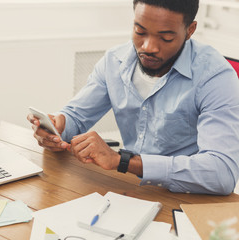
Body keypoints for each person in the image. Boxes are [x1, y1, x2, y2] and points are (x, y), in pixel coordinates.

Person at [27, 0, 239, 195]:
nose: (148, 47)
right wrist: (58, 128)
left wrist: (124, 162)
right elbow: (76, 116)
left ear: (190, 30)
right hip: (130, 188)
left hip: (188, 197)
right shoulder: (114, 61)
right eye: (140, 31)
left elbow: (222, 173)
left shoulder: (215, 77)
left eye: (166, 37)